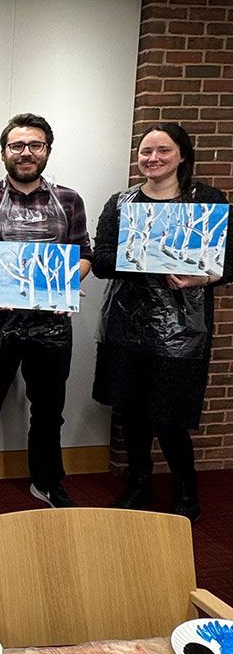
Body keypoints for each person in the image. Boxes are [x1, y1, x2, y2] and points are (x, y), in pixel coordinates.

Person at [0, 114, 93, 516]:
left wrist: (63, 281)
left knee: (49, 411)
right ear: (4, 153)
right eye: (18, 146)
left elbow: (85, 255)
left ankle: (47, 481)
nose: (26, 153)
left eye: (35, 145)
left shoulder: (69, 200)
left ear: (47, 150)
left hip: (52, 326)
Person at [91, 123, 232, 523]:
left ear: (182, 155)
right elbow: (101, 260)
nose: (152, 158)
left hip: (182, 331)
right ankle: (138, 484)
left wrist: (202, 276)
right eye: (146, 151)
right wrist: (142, 253)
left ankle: (186, 492)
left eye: (163, 151)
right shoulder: (121, 203)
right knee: (132, 413)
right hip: (126, 325)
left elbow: (227, 262)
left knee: (169, 417)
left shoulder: (204, 201)